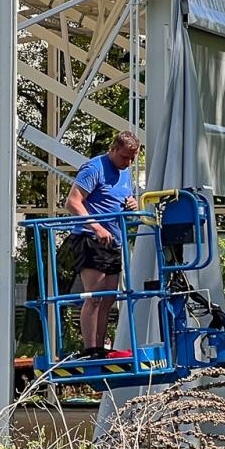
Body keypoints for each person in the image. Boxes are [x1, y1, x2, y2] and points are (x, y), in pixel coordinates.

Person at [65, 130, 140, 355]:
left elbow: (122, 198)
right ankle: (90, 348)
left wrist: (132, 204)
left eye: (132, 158)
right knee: (95, 296)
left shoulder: (125, 173)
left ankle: (100, 347)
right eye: (125, 157)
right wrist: (96, 226)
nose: (128, 162)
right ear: (113, 149)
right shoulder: (94, 168)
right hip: (90, 238)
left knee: (109, 298)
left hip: (114, 240)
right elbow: (73, 202)